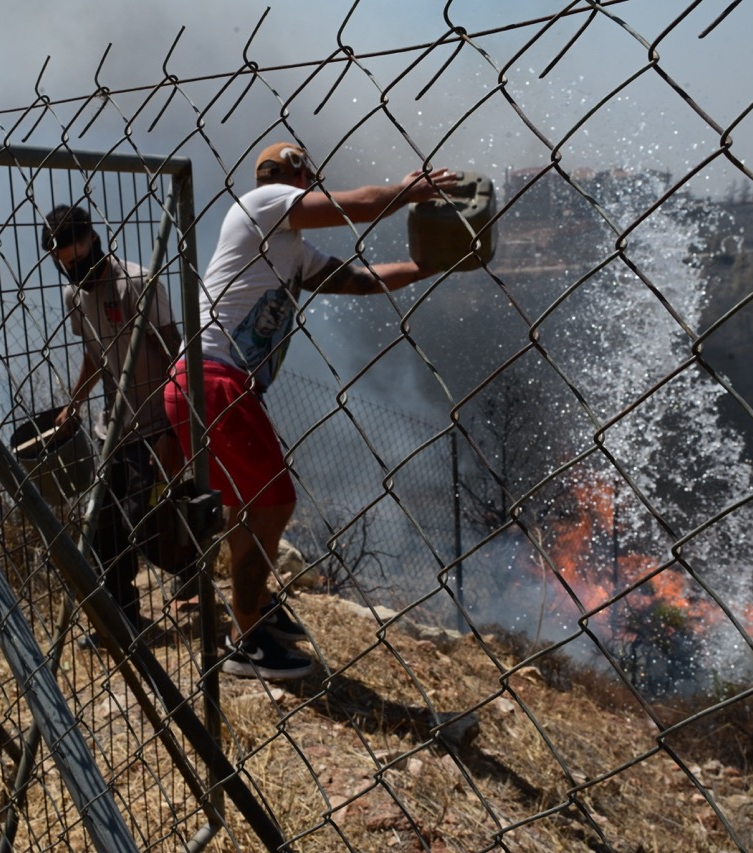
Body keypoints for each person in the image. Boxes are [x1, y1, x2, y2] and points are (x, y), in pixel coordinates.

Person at [164, 142, 459, 680]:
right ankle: (245, 640)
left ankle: (249, 614)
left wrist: (425, 267)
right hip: (215, 379)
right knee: (275, 504)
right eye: (309, 177)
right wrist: (411, 189)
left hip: (201, 383)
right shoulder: (263, 203)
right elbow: (359, 205)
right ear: (296, 177)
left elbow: (361, 280)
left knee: (250, 508)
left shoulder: (290, 250)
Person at [42, 204, 183, 644]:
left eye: (75, 258)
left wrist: (174, 431)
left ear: (92, 241)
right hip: (112, 429)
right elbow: (95, 352)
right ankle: (121, 621)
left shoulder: (136, 284)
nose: (72, 270)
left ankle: (193, 578)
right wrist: (76, 402)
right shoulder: (75, 297)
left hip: (155, 422)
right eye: (61, 264)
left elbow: (174, 350)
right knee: (104, 523)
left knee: (146, 520)